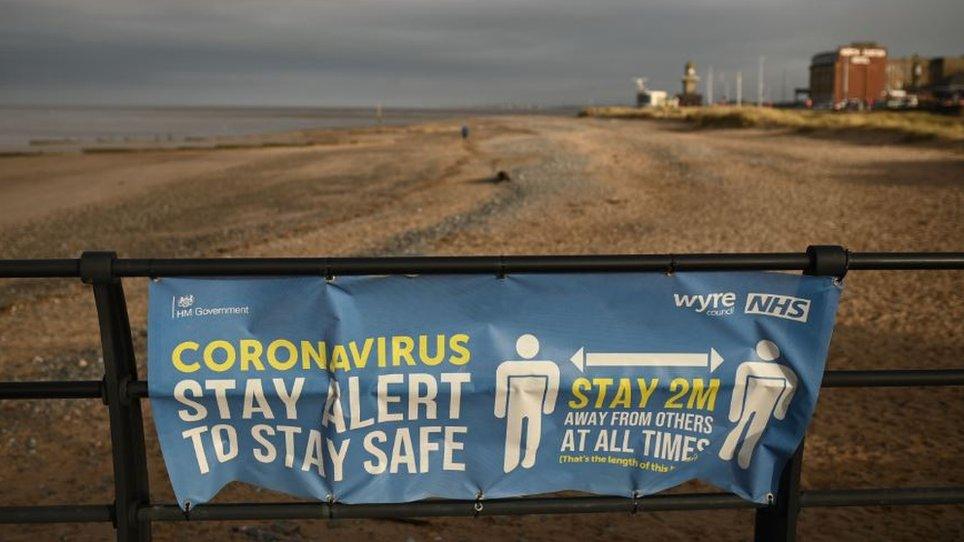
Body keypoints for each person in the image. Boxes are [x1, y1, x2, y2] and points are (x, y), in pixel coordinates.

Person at [718, 340, 798, 469]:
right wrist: (735, 411)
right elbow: (739, 387)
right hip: (756, 405)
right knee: (744, 428)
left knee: (751, 430)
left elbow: (787, 389)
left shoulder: (783, 370)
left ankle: (740, 457)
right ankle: (728, 452)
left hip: (764, 407)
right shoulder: (783, 370)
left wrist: (779, 410)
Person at [494, 334, 560, 473]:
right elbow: (500, 387)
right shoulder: (507, 367)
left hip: (534, 407)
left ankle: (529, 457)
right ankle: (512, 460)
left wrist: (549, 405)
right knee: (515, 433)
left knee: (532, 431)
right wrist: (500, 409)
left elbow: (554, 385)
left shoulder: (547, 367)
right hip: (514, 406)